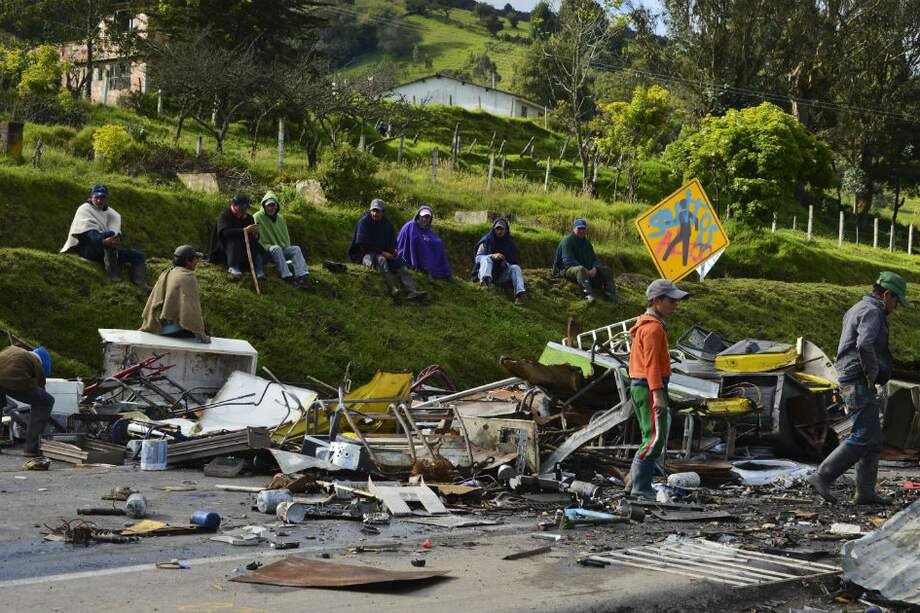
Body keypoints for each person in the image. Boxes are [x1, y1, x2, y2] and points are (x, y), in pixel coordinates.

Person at [807, 272, 911, 506]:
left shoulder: (858, 308)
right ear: (886, 295)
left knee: (873, 440)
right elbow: (864, 344)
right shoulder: (873, 312)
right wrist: (872, 374)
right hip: (858, 377)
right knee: (863, 435)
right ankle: (822, 475)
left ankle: (865, 493)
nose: (895, 308)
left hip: (852, 375)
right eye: (896, 302)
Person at [627, 279, 689, 499]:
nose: (675, 305)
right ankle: (640, 489)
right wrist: (658, 394)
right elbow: (651, 365)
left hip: (643, 386)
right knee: (655, 439)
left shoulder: (647, 325)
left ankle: (633, 485)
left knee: (650, 436)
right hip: (648, 386)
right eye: (671, 301)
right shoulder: (652, 329)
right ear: (656, 301)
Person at [60, 183, 147, 287]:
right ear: (92, 196)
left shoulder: (112, 213)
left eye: (102, 197)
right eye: (97, 197)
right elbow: (90, 234)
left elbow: (116, 232)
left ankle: (140, 282)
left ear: (106, 198)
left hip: (109, 249)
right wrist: (103, 241)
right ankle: (113, 274)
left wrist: (117, 239)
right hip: (88, 249)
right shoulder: (84, 209)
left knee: (138, 255)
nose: (99, 200)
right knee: (108, 240)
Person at [348, 199, 424, 300]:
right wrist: (382, 253)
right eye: (373, 210)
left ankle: (412, 291)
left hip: (383, 253)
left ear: (383, 212)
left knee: (400, 264)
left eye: (378, 211)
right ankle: (392, 288)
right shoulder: (364, 222)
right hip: (364, 254)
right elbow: (363, 244)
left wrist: (393, 251)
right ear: (370, 210)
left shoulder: (387, 224)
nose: (375, 213)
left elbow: (392, 241)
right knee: (381, 260)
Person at [140, 245, 211, 343]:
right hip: (174, 330)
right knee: (205, 333)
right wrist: (203, 336)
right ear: (187, 261)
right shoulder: (188, 277)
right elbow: (192, 312)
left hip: (158, 326)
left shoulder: (167, 272)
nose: (197, 261)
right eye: (195, 259)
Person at [0, 346, 54, 460]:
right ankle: (31, 449)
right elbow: (41, 391)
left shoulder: (13, 349)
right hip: (14, 379)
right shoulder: (37, 363)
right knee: (46, 401)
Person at [552, 218, 616, 304]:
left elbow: (594, 259)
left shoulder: (587, 243)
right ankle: (588, 294)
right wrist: (585, 270)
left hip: (586, 271)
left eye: (584, 229)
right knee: (580, 269)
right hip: (566, 270)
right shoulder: (567, 241)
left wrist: (595, 268)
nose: (582, 231)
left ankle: (610, 295)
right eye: (579, 229)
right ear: (574, 229)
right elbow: (567, 260)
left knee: (607, 270)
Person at [253, 191, 310, 287]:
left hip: (281, 249)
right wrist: (267, 246)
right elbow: (256, 238)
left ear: (277, 206)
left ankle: (301, 275)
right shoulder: (257, 217)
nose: (271, 208)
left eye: (273, 205)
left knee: (296, 249)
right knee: (276, 248)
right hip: (266, 251)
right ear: (264, 205)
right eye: (269, 205)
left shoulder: (281, 219)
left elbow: (285, 236)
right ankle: (286, 276)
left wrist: (285, 246)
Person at [210, 194, 266, 280]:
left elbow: (253, 237)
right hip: (225, 247)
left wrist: (255, 233)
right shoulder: (225, 215)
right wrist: (244, 230)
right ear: (234, 206)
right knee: (233, 239)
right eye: (242, 208)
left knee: (255, 244)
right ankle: (233, 267)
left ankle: (259, 270)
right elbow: (225, 233)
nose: (244, 211)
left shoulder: (248, 218)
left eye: (245, 208)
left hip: (244, 247)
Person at [471, 217, 526, 305]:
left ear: (506, 230)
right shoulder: (487, 240)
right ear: (494, 229)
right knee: (486, 258)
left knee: (516, 268)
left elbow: (513, 261)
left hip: (500, 275)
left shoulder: (510, 243)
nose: (499, 232)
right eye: (497, 229)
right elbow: (478, 258)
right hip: (484, 271)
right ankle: (485, 283)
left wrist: (506, 264)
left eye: (502, 229)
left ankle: (519, 295)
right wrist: (492, 256)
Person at [396, 205, 453, 280]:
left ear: (430, 219)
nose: (425, 219)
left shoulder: (428, 229)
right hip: (408, 254)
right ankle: (424, 269)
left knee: (438, 246)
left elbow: (434, 239)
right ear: (418, 216)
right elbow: (409, 241)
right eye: (423, 216)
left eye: (427, 217)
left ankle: (443, 272)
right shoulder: (411, 225)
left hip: (426, 251)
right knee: (423, 246)